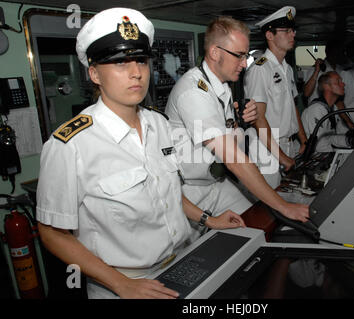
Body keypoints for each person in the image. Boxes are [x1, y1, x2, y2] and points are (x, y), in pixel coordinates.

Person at [35, 8, 245, 299]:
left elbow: (167, 191)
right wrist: (121, 284)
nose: (136, 72)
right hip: (123, 285)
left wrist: (208, 219)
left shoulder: (157, 123)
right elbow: (52, 232)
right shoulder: (69, 145)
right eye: (120, 62)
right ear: (94, 73)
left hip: (181, 264)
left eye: (141, 60)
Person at [165, 16, 310, 240]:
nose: (245, 63)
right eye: (240, 55)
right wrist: (284, 206)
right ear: (215, 52)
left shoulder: (222, 86)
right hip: (189, 192)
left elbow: (229, 136)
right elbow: (234, 159)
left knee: (259, 229)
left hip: (216, 183)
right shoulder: (194, 92)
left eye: (246, 55)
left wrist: (240, 124)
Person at [244, 6, 308, 175]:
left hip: (288, 144)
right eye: (286, 31)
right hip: (267, 149)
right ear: (269, 35)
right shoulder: (260, 69)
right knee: (271, 200)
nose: (293, 34)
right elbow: (258, 118)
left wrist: (303, 139)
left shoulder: (286, 69)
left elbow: (292, 107)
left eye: (293, 30)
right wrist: (282, 157)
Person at [301, 71, 354, 153]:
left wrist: (350, 140)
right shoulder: (316, 109)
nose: (343, 84)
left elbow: (331, 137)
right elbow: (319, 145)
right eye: (338, 82)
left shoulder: (333, 108)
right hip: (307, 156)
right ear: (326, 86)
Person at [303, 38, 352, 104]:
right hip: (318, 110)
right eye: (337, 51)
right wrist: (316, 71)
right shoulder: (316, 69)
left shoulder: (341, 70)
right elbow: (306, 93)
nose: (340, 54)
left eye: (342, 51)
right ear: (328, 52)